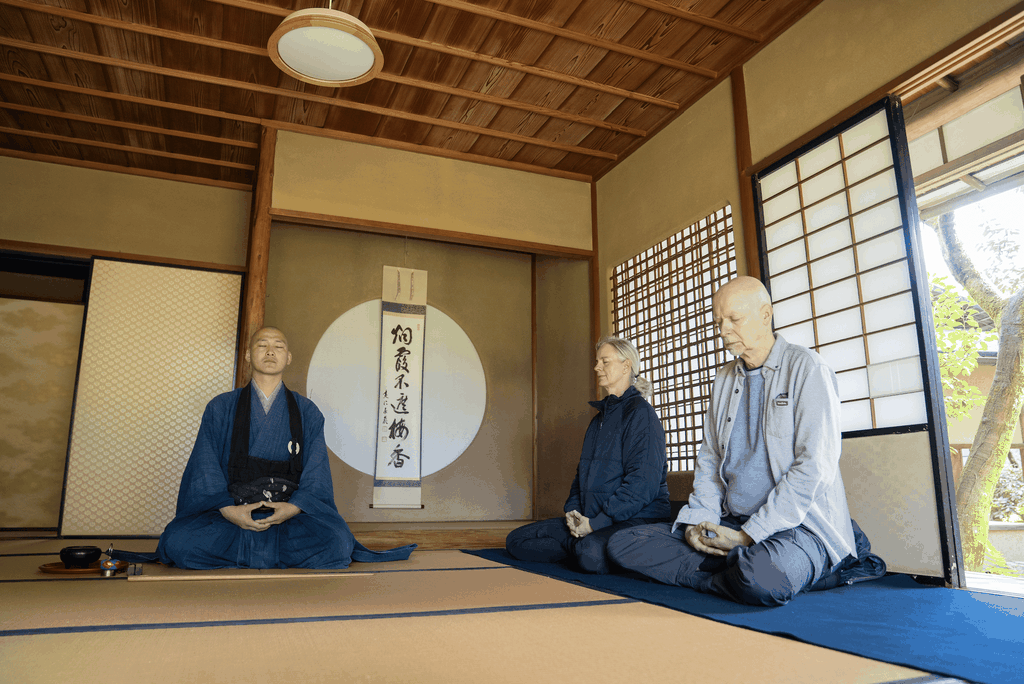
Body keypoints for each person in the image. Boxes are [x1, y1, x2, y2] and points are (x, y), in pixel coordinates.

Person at [607, 276, 857, 605]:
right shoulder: (725, 378)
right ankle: (733, 566)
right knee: (623, 544)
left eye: (734, 320)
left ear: (766, 314)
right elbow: (710, 460)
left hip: (798, 526)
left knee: (762, 579)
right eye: (718, 321)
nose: (723, 330)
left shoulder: (807, 369)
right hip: (732, 521)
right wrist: (699, 522)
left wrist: (749, 536)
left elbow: (814, 468)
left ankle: (746, 566)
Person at [157, 326, 414, 569]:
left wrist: (293, 508)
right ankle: (274, 555)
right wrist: (229, 510)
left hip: (288, 516)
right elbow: (205, 465)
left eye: (278, 347)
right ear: (247, 355)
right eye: (262, 345)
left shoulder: (307, 411)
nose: (270, 351)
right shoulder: (221, 407)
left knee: (337, 542)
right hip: (233, 513)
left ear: (288, 357)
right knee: (178, 541)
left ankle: (244, 555)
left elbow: (316, 472)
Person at [505, 336, 670, 574]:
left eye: (604, 361)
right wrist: (574, 514)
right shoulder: (598, 420)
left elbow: (643, 484)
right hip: (592, 518)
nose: (596, 367)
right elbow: (580, 475)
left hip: (635, 519)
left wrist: (597, 524)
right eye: (597, 361)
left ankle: (589, 547)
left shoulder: (641, 415)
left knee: (590, 555)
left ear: (626, 366)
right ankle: (585, 545)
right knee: (517, 541)